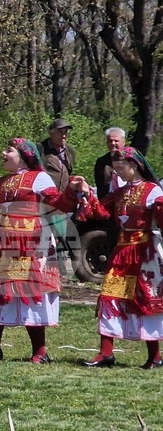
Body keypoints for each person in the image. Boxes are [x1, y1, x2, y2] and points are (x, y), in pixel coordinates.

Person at [0, 138, 73, 364]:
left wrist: (73, 192)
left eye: (9, 149)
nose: (3, 152)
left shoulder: (40, 178)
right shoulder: (2, 181)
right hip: (7, 244)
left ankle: (40, 351)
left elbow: (56, 203)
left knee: (31, 294)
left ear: (24, 155)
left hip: (33, 244)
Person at [71, 147, 163, 369]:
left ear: (135, 165)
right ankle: (105, 353)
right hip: (122, 250)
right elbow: (100, 212)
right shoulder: (120, 192)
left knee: (145, 301)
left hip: (144, 252)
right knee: (109, 297)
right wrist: (86, 193)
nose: (118, 173)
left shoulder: (153, 191)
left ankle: (155, 356)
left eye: (121, 168)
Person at [40, 118, 76, 191]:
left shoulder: (70, 150)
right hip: (45, 194)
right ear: (51, 133)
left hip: (64, 195)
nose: (64, 136)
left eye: (65, 132)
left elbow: (70, 172)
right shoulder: (40, 148)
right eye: (60, 132)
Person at [94, 127, 126, 199]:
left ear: (123, 142)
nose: (113, 143)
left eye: (116, 141)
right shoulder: (101, 162)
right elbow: (100, 185)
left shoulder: (131, 159)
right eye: (110, 141)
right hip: (107, 201)